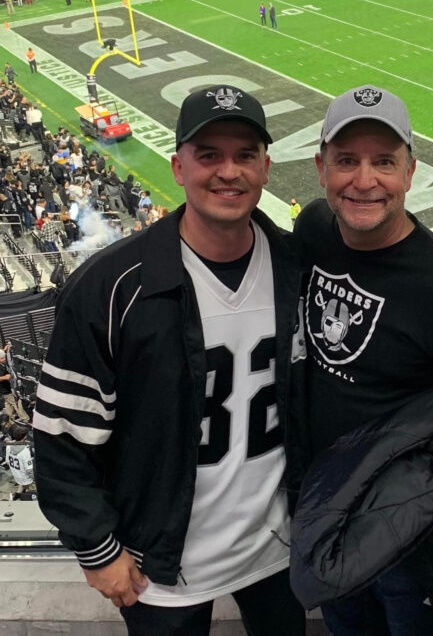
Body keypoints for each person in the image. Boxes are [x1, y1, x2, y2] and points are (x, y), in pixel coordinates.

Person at [33, 85, 306, 636]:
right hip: (159, 563)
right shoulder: (111, 288)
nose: (229, 172)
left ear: (267, 169)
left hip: (280, 548)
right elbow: (61, 438)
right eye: (209, 155)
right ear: (178, 167)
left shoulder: (295, 265)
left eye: (245, 155)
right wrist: (96, 549)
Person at [294, 86, 433, 635]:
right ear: (320, 167)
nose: (365, 180)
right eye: (347, 161)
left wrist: (417, 505)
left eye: (384, 162)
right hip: (325, 517)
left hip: (408, 550)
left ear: (412, 171)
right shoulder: (314, 229)